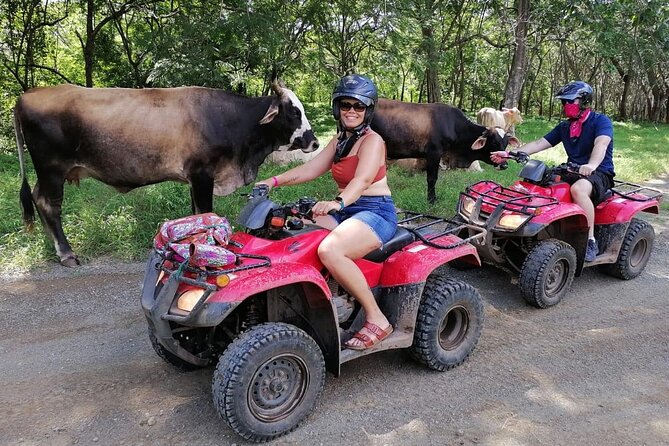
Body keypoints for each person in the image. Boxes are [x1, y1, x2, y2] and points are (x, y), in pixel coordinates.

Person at [256, 74, 397, 350]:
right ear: (337, 108)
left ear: (368, 110)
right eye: (346, 105)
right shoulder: (339, 140)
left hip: (375, 212)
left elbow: (363, 180)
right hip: (347, 209)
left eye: (358, 106)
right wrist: (272, 181)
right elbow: (310, 169)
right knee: (292, 230)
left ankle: (377, 318)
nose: (351, 111)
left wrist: (339, 202)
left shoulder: (373, 142)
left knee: (330, 250)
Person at [490, 81, 615, 262]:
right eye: (564, 102)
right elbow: (540, 143)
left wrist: (592, 165)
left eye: (570, 101)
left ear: (584, 101)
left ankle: (590, 240)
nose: (566, 106)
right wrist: (509, 154)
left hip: (599, 172)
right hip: (572, 169)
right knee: (534, 183)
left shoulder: (600, 121)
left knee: (578, 189)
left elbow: (601, 144)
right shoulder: (565, 127)